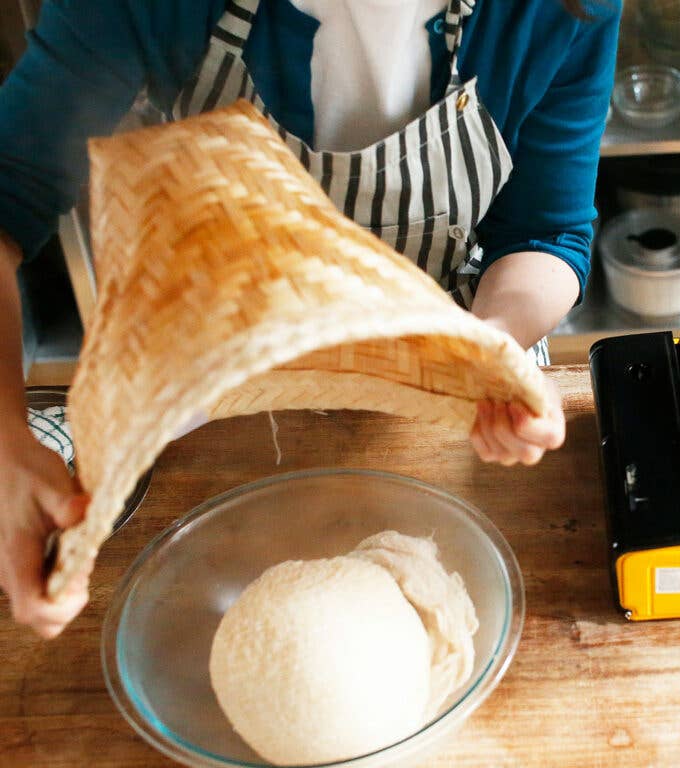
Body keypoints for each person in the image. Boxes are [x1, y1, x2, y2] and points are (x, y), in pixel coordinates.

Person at [0, 0, 620, 637]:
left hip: (455, 375)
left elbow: (545, 232)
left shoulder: (561, 9)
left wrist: (493, 345)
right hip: (211, 378)